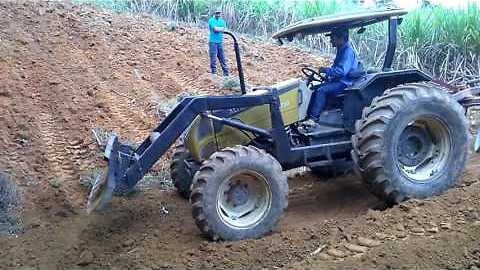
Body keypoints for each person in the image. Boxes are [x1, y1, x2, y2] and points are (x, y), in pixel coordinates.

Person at [305, 28, 359, 126]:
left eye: (333, 39)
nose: (331, 41)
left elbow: (342, 71)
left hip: (344, 83)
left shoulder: (348, 52)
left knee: (321, 91)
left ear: (341, 38)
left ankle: (313, 119)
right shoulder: (341, 50)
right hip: (338, 81)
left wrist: (326, 70)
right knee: (314, 88)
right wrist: (328, 75)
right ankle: (307, 115)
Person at [208, 9, 229, 76]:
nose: (218, 14)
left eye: (219, 13)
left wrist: (219, 29)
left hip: (220, 42)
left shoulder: (222, 21)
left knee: (222, 58)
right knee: (213, 58)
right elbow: (215, 29)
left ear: (220, 14)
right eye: (217, 13)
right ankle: (214, 73)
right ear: (214, 13)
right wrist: (220, 29)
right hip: (213, 42)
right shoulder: (211, 20)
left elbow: (223, 29)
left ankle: (226, 74)